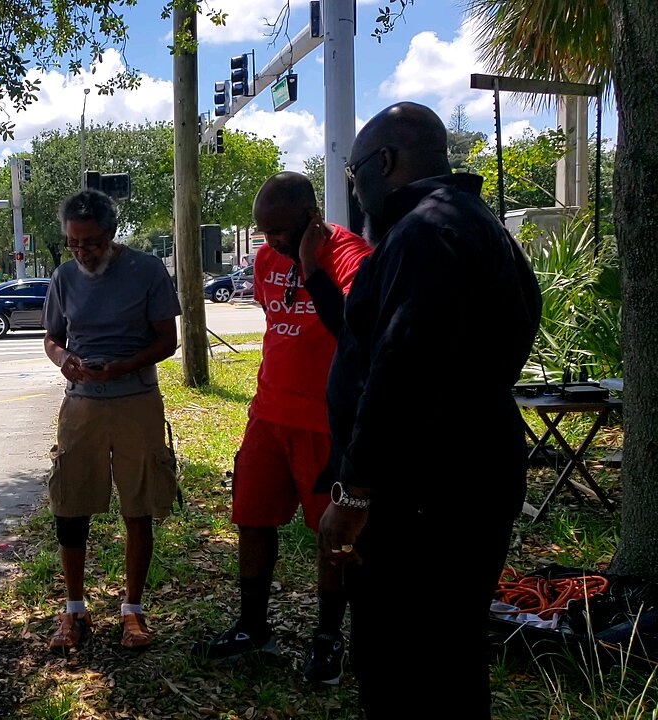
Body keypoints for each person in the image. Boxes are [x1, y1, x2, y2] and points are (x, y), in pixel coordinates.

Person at [318, 102, 540, 719]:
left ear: (384, 162)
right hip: (471, 475)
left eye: (354, 172)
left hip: (420, 498)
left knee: (402, 665)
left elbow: (399, 373)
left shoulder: (422, 234)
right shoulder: (478, 224)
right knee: (452, 655)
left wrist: (355, 492)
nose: (355, 189)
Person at [192, 172, 370, 684]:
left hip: (324, 423)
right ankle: (253, 626)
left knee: (332, 534)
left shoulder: (346, 252)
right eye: (263, 233)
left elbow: (360, 322)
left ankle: (329, 637)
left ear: (312, 218)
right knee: (252, 517)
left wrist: (316, 269)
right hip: (268, 415)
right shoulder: (267, 259)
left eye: (280, 233)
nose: (270, 244)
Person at [41, 189, 182, 652]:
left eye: (92, 243)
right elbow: (53, 339)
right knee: (70, 505)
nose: (82, 253)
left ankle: (132, 611)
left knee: (138, 505)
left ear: (112, 234)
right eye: (73, 244)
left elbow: (168, 341)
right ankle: (73, 611)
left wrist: (123, 366)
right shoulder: (63, 277)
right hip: (81, 404)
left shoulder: (147, 271)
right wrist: (65, 360)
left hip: (136, 401)